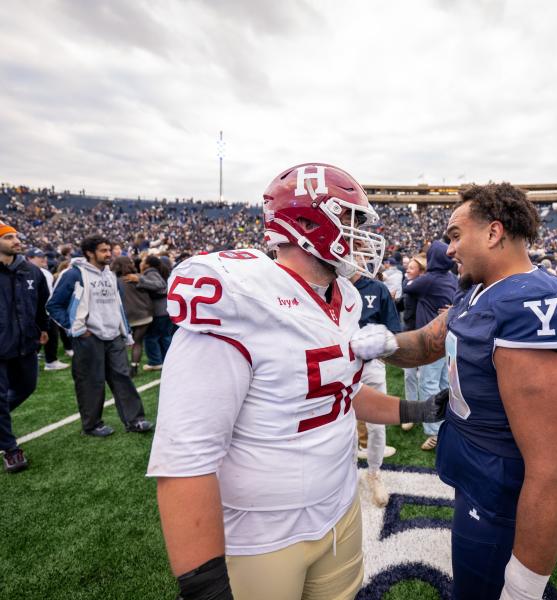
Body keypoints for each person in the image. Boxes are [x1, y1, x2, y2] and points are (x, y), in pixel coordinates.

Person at [147, 163, 447, 600]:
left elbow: (334, 391)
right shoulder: (238, 296)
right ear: (308, 223)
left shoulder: (341, 297)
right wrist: (205, 586)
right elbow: (185, 458)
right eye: (349, 221)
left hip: (340, 509)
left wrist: (416, 410)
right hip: (263, 536)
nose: (359, 235)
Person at [352, 182, 557, 600]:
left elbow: (554, 468)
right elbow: (429, 342)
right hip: (476, 469)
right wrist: (386, 343)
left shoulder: (533, 304)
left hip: (504, 490)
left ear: (494, 233)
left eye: (455, 235)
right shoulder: (481, 289)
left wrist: (524, 584)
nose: (449, 250)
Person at [46, 234, 153, 437]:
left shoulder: (110, 275)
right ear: (89, 252)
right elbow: (53, 305)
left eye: (109, 250)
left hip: (113, 335)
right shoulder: (73, 274)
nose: (108, 254)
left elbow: (117, 306)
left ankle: (135, 420)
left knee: (123, 378)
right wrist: (74, 328)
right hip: (89, 337)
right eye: (103, 250)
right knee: (90, 382)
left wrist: (125, 331)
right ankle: (92, 425)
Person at [0, 221, 50, 473]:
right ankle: (10, 449)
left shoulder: (32, 271)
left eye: (16, 236)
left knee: (27, 386)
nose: (16, 240)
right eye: (9, 237)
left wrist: (43, 328)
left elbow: (42, 304)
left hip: (26, 342)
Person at [350, 270, 402, 507]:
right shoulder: (327, 285)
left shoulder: (377, 288)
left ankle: (373, 473)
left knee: (377, 424)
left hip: (370, 365)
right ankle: (347, 473)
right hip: (338, 366)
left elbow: (394, 330)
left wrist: (381, 345)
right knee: (342, 424)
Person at [402, 239, 457, 450]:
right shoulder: (451, 277)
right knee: (444, 384)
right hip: (447, 339)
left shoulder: (430, 279)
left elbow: (408, 288)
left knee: (428, 384)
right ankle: (447, 423)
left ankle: (434, 432)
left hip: (431, 340)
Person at [26, 247, 69, 370]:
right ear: (29, 258)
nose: (43, 259)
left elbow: (49, 292)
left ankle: (51, 361)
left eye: (43, 256)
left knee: (52, 335)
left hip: (47, 309)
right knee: (34, 338)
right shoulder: (25, 273)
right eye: (39, 257)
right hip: (33, 311)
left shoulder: (46, 273)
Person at [111, 256, 154, 377]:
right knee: (138, 342)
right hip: (143, 315)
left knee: (122, 343)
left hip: (125, 317)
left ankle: (124, 368)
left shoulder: (113, 281)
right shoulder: (139, 278)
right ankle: (134, 366)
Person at [400, 253, 426, 431]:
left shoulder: (427, 288)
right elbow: (403, 304)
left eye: (411, 267)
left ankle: (426, 412)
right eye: (407, 267)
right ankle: (411, 413)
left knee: (425, 378)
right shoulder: (408, 286)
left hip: (424, 338)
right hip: (409, 336)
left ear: (421, 272)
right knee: (409, 376)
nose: (406, 270)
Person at [139, 255, 171, 371]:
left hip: (159, 311)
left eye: (143, 261)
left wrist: (139, 280)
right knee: (164, 337)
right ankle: (167, 359)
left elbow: (160, 285)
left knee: (151, 337)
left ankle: (155, 361)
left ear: (147, 264)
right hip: (166, 310)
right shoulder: (157, 271)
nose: (141, 263)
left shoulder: (150, 272)